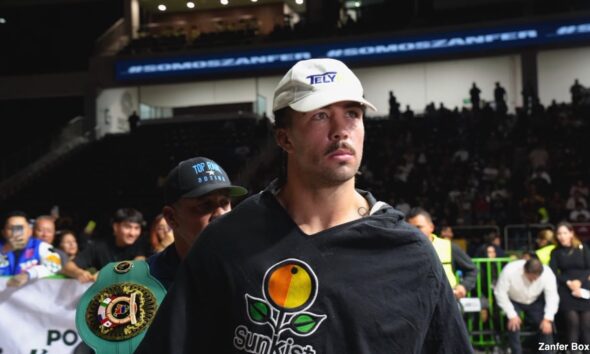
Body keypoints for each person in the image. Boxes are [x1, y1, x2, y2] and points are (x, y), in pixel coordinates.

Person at [136, 58, 471, 353]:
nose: (341, 130)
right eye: (321, 116)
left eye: (352, 114)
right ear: (284, 138)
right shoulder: (226, 241)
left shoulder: (410, 255)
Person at [147, 156, 247, 289]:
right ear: (171, 217)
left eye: (225, 202)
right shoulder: (141, 283)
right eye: (205, 205)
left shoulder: (254, 268)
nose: (220, 214)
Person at [406, 207, 477, 299]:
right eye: (410, 228)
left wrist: (463, 286)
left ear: (431, 227)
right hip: (416, 303)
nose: (415, 231)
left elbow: (472, 270)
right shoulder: (403, 251)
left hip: (446, 302)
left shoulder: (448, 246)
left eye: (419, 227)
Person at [61, 208, 146, 283]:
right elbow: (68, 267)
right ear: (115, 227)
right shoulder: (100, 247)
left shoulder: (142, 244)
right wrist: (80, 273)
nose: (132, 233)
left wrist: (108, 273)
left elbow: (139, 263)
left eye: (137, 228)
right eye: (128, 227)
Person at [494, 258, 559, 354]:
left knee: (546, 326)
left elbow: (552, 296)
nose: (533, 280)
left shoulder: (547, 273)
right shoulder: (510, 270)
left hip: (534, 300)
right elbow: (500, 293)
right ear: (524, 271)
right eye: (531, 277)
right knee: (514, 325)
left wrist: (548, 319)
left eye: (536, 278)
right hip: (513, 300)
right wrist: (512, 314)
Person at [549, 222, 590, 348]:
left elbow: (589, 268)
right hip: (566, 289)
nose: (562, 236)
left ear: (571, 233)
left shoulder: (582, 248)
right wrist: (568, 282)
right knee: (573, 324)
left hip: (584, 286)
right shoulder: (555, 252)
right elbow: (553, 272)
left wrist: (579, 282)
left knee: (586, 325)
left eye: (565, 233)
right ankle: (574, 350)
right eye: (559, 233)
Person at [0, 211, 62, 287]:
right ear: (3, 232)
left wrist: (29, 274)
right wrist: (4, 251)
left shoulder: (41, 246)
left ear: (30, 231)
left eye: (21, 228)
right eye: (11, 228)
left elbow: (54, 266)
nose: (17, 232)